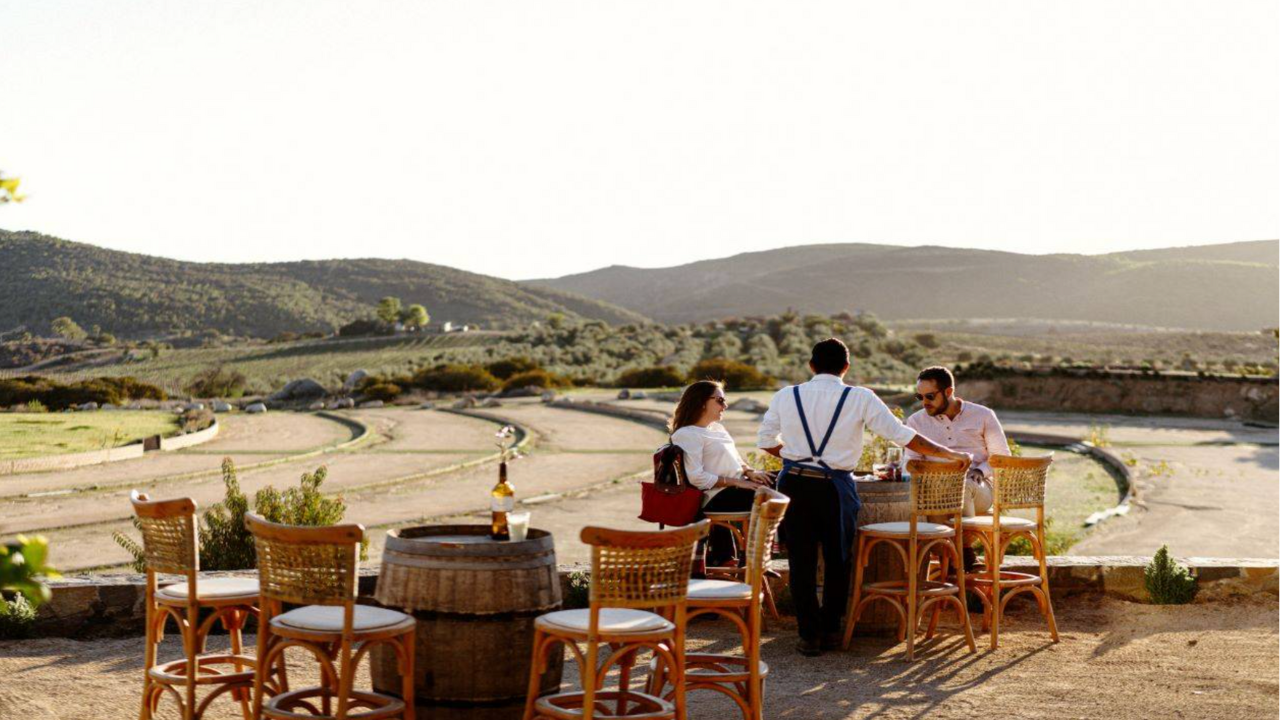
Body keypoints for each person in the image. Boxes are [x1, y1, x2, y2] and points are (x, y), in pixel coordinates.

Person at [757, 338, 972, 656]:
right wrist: (948, 453)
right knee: (839, 559)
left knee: (800, 562)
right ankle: (831, 630)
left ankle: (809, 636)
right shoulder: (860, 397)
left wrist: (794, 456)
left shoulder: (786, 395)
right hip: (837, 486)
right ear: (846, 367)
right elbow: (901, 435)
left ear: (811, 366)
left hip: (794, 484)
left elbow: (765, 440)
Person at [670, 380, 773, 566]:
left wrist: (749, 471)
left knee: (785, 476)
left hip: (737, 487)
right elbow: (696, 477)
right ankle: (768, 553)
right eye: (719, 400)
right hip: (717, 496)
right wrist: (736, 482)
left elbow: (735, 458)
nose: (725, 406)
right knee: (785, 485)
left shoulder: (718, 429)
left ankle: (769, 551)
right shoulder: (687, 434)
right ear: (701, 402)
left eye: (724, 400)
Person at [904, 366, 1011, 518]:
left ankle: (961, 541)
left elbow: (1002, 456)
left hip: (977, 485)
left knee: (962, 487)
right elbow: (913, 462)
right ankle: (941, 540)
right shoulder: (915, 421)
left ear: (948, 392)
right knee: (929, 495)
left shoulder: (983, 415)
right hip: (935, 487)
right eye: (919, 397)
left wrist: (980, 471)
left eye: (930, 396)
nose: (924, 402)